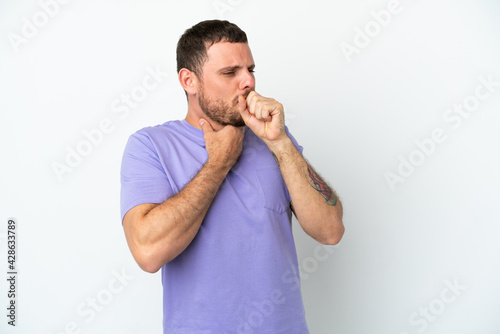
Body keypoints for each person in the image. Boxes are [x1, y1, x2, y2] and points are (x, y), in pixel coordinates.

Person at [120, 19, 344, 334]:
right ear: (189, 81)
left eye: (250, 70)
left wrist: (280, 143)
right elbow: (147, 252)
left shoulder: (274, 140)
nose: (247, 82)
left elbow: (330, 230)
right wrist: (220, 162)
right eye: (230, 73)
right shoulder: (150, 145)